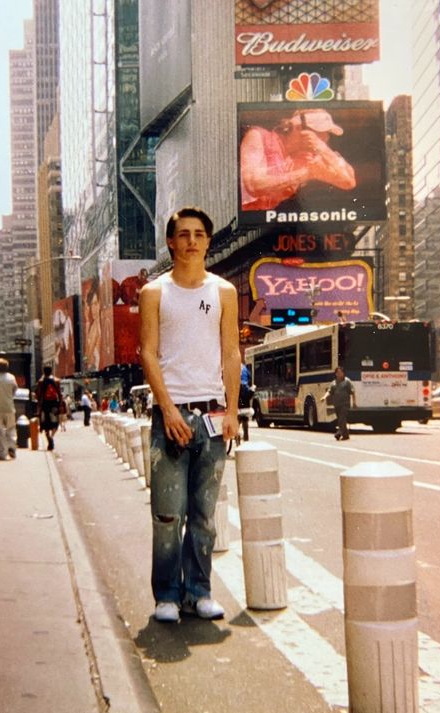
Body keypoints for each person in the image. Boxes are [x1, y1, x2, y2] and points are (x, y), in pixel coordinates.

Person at [139, 206, 240, 623]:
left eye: (199, 234)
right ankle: (166, 594)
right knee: (167, 514)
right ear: (171, 241)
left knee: (204, 514)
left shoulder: (224, 292)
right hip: (171, 415)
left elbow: (232, 352)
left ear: (208, 241)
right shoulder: (154, 292)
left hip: (213, 415)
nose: (191, 241)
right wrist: (167, 411)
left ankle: (199, 592)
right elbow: (147, 353)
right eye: (183, 234)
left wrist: (232, 409)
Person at [240, 108, 356, 211]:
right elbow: (253, 186)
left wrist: (324, 149)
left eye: (327, 133)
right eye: (320, 132)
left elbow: (349, 181)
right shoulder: (258, 137)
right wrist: (305, 174)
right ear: (299, 129)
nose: (326, 137)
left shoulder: (307, 156)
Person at [0, 358, 18, 460]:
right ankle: (12, 447)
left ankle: (2, 453)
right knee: (11, 429)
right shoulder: (11, 377)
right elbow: (15, 389)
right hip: (9, 407)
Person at [320, 366, 356, 441]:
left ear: (343, 373)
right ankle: (346, 435)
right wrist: (324, 397)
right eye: (338, 373)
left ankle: (339, 433)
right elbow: (329, 391)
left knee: (341, 419)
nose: (339, 374)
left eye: (341, 372)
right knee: (340, 419)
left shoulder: (347, 381)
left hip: (345, 404)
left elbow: (352, 392)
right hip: (337, 404)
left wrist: (354, 403)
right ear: (336, 374)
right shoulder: (333, 383)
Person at [35, 366, 62, 450]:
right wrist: (60, 404)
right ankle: (52, 436)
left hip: (45, 404)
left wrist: (39, 406)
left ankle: (48, 438)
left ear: (44, 372)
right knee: (55, 422)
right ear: (51, 371)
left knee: (44, 423)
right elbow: (59, 394)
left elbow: (39, 395)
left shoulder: (41, 381)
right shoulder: (57, 381)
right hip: (54, 404)